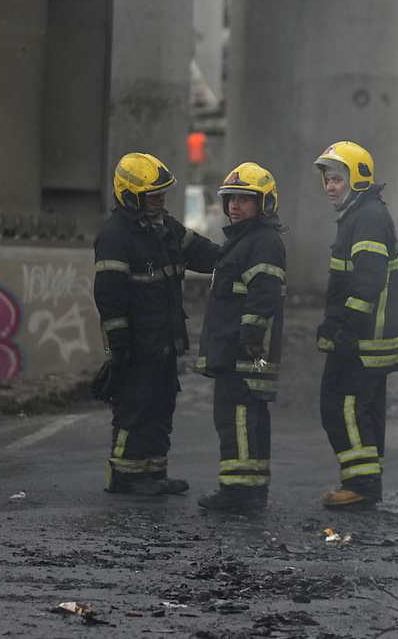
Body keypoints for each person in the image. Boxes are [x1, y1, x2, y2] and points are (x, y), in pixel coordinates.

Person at [93, 152, 221, 496]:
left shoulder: (163, 227)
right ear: (131, 195)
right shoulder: (115, 236)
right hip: (137, 345)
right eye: (154, 194)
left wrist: (236, 257)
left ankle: (153, 472)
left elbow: (199, 251)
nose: (160, 200)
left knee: (162, 405)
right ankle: (124, 476)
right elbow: (110, 298)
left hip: (164, 341)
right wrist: (119, 348)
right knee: (135, 408)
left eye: (162, 193)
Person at [313, 141, 398, 508]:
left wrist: (346, 330)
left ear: (358, 180)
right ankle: (366, 481)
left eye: (337, 179)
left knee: (341, 404)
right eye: (328, 180)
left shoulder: (366, 217)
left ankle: (362, 484)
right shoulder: (363, 214)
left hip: (364, 339)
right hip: (371, 337)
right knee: (364, 409)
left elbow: (366, 282)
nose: (330, 187)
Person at [196, 162, 286, 512]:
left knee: (236, 416)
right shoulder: (245, 241)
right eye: (231, 198)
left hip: (244, 350)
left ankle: (238, 492)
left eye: (245, 200)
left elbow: (263, 291)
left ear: (264, 204)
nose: (235, 205)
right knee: (250, 416)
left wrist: (249, 335)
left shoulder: (261, 241)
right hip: (243, 348)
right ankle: (253, 487)